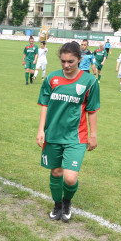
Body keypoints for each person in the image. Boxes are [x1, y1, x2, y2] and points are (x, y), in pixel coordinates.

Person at [36, 41, 99, 223]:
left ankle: (67, 202)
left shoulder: (90, 81)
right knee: (56, 172)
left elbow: (92, 110)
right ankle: (57, 204)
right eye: (63, 61)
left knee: (70, 178)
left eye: (71, 61)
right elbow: (44, 105)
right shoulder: (51, 79)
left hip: (76, 136)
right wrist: (41, 130)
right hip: (53, 134)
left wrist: (93, 135)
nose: (66, 65)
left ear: (80, 59)